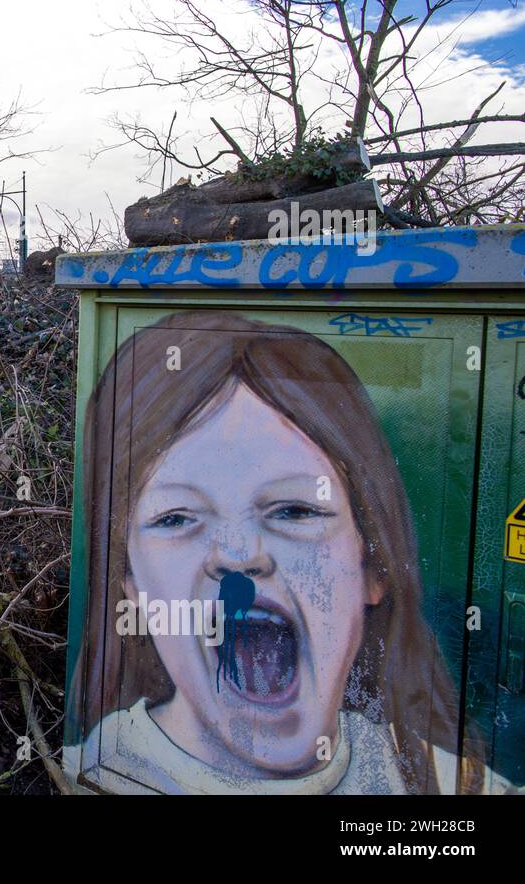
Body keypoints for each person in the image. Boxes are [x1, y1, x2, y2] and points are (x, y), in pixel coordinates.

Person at [72, 309, 515, 794]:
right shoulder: (87, 773)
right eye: (175, 518)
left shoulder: (453, 785)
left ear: (373, 566)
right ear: (131, 583)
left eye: (295, 510)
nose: (238, 554)